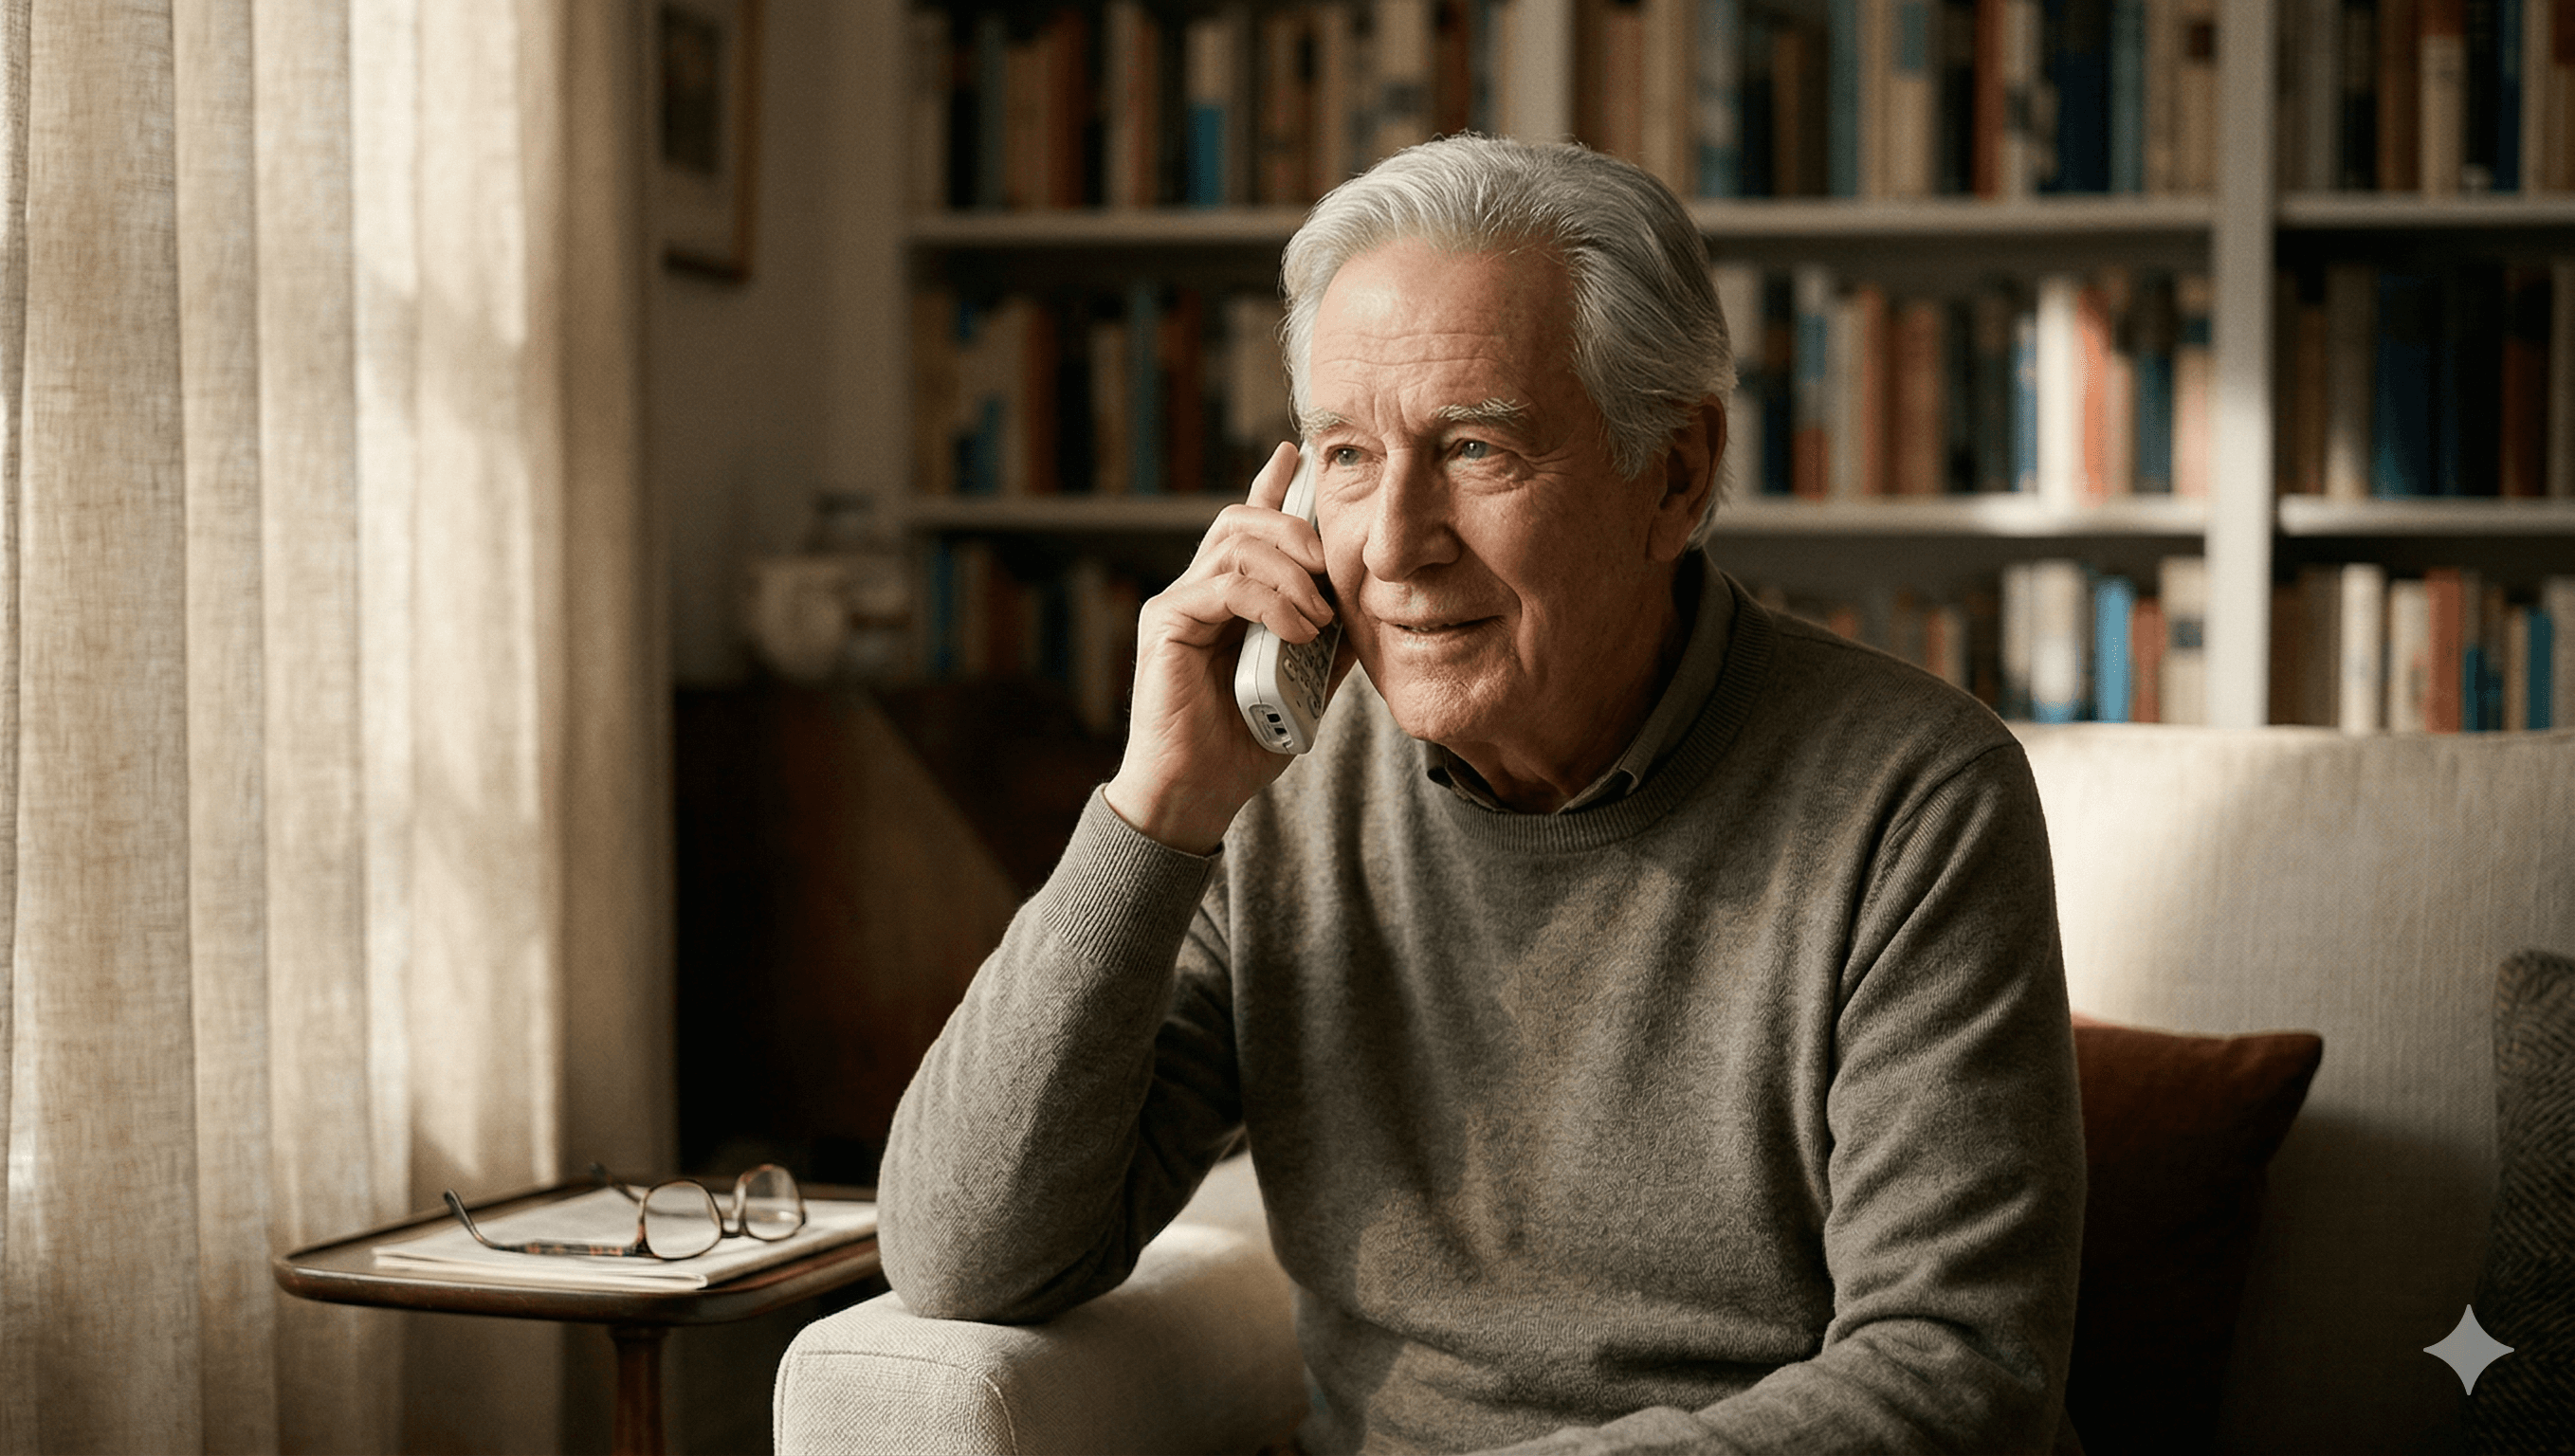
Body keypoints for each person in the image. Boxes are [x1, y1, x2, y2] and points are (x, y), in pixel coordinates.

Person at [881, 136, 2085, 1455]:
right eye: (1346, 456)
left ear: (1674, 475)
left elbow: (1961, 1374)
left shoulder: (1915, 796)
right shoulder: (1278, 782)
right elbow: (962, 1262)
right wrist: (1152, 811)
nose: (1393, 543)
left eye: (1473, 449)